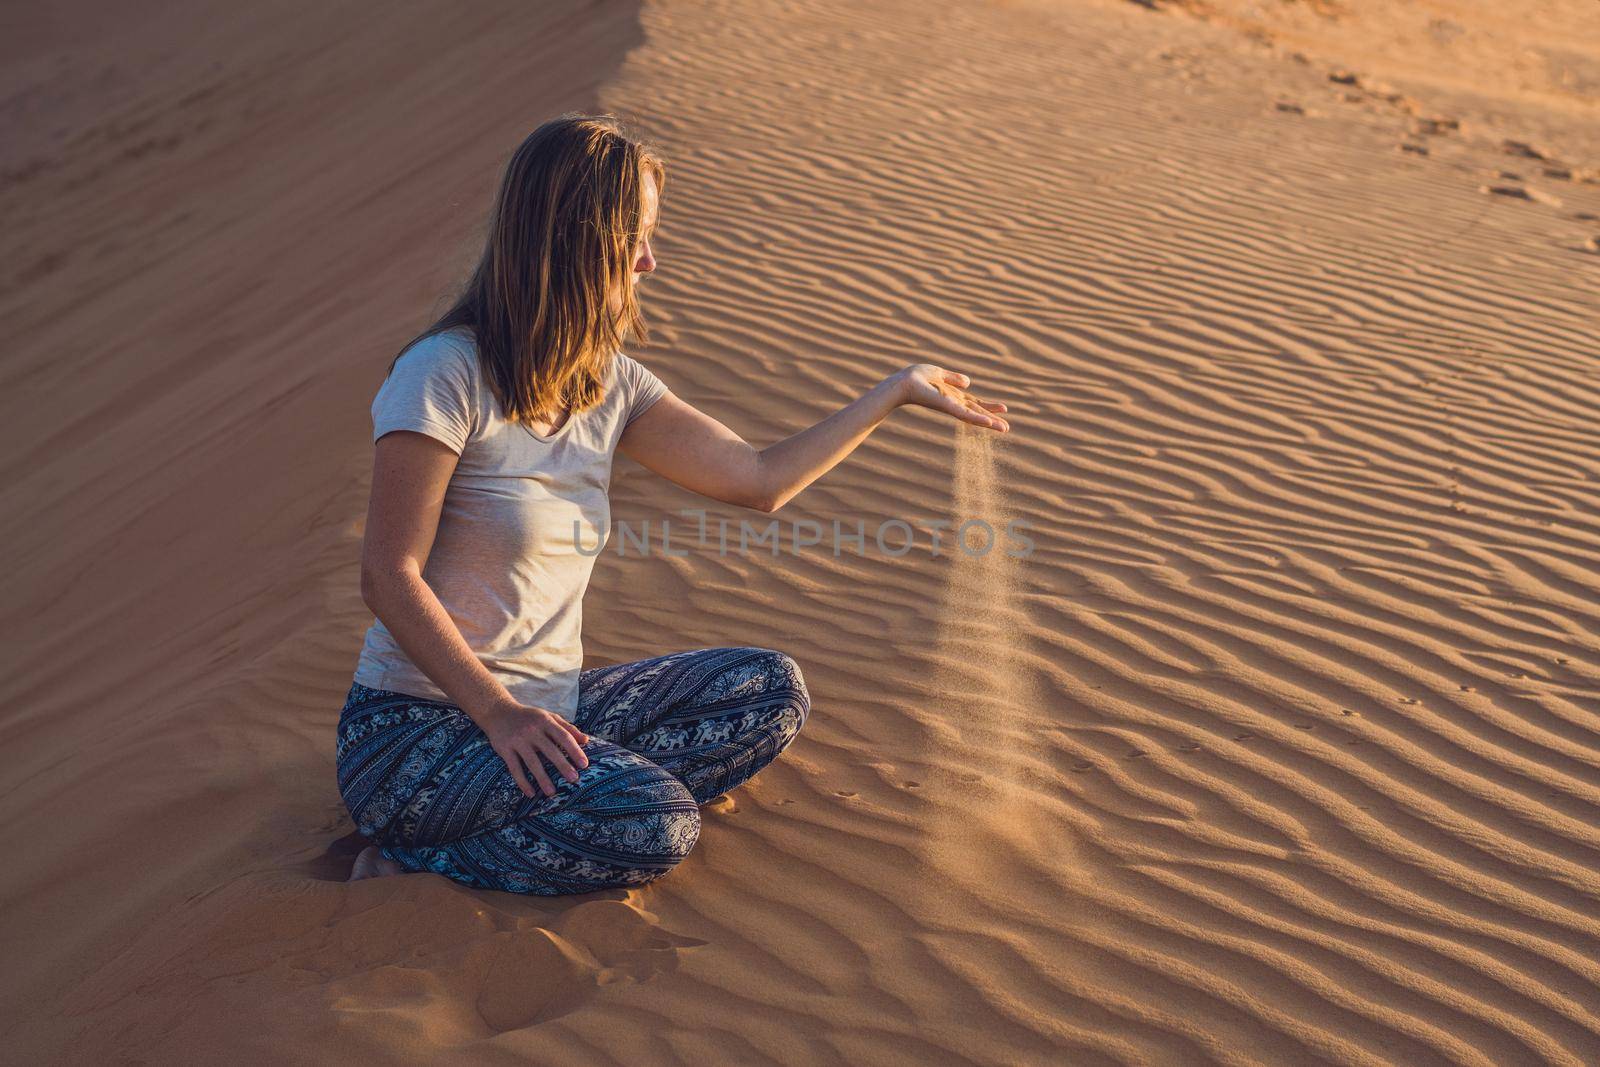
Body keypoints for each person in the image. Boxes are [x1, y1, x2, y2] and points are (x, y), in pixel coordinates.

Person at [337, 112, 1009, 896]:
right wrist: (498, 712)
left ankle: (561, 803)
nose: (650, 262)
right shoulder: (444, 375)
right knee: (659, 823)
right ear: (576, 237)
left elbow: (758, 478)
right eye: (637, 238)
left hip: (553, 712)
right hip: (415, 726)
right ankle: (416, 858)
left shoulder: (610, 385)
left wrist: (895, 392)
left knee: (769, 691)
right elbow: (389, 575)